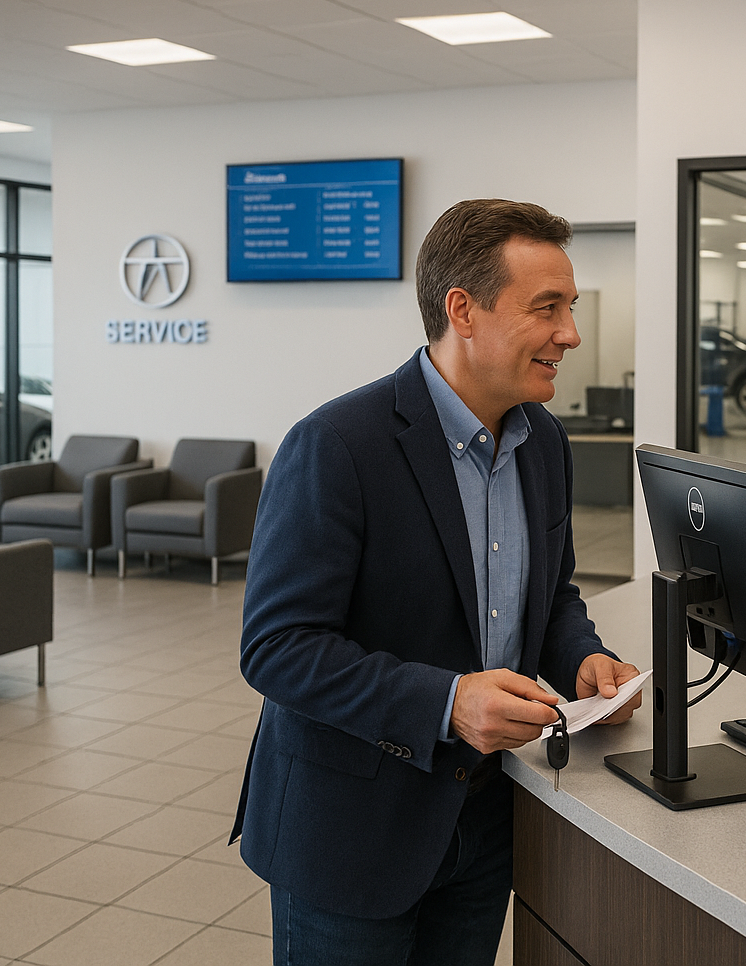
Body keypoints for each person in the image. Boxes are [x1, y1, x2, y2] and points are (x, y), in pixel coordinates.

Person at [232, 199, 642, 965]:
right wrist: (447, 703)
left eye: (571, 308)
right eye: (546, 308)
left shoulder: (543, 441)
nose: (571, 334)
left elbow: (549, 595)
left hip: (485, 823)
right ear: (464, 310)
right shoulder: (336, 445)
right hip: (352, 835)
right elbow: (277, 649)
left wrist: (582, 656)